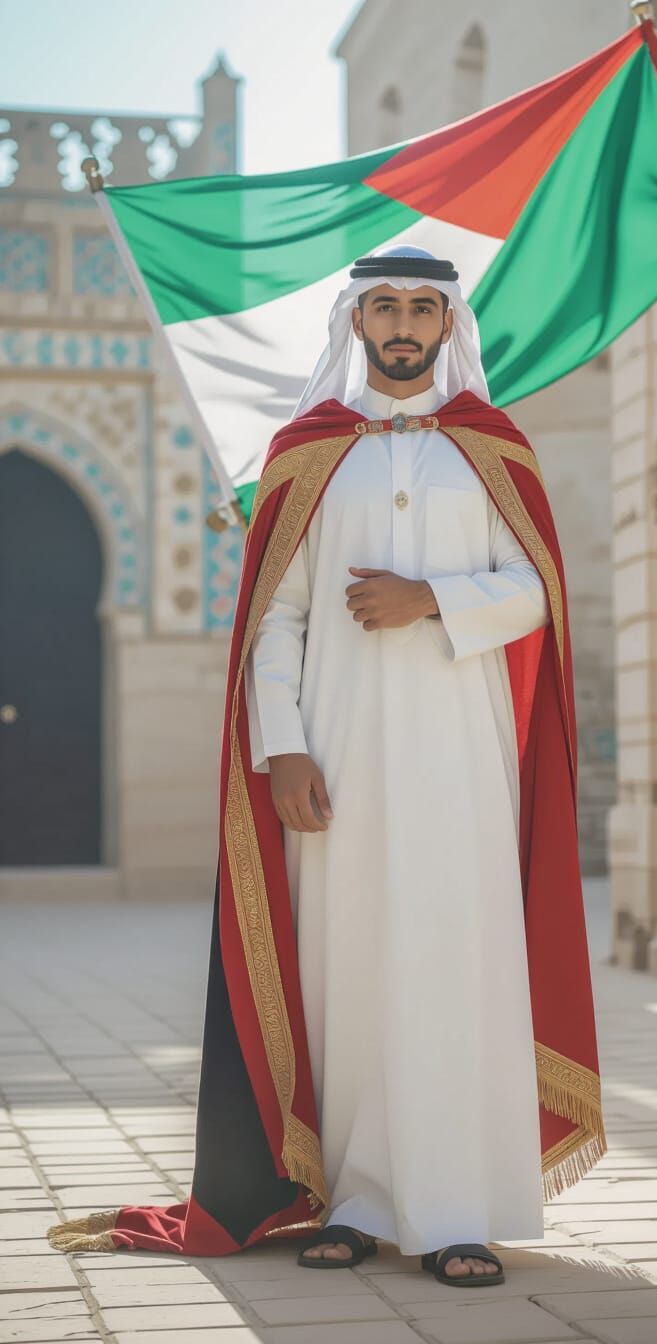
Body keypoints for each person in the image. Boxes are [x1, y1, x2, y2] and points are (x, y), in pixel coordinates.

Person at [47, 247, 604, 1278]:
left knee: (453, 965)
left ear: (448, 324)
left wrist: (431, 599)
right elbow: (279, 617)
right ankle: (345, 1199)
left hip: (461, 763)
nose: (403, 325)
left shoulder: (491, 451)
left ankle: (452, 1213)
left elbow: (535, 590)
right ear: (356, 321)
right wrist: (286, 748)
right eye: (384, 306)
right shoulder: (308, 455)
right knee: (342, 973)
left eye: (422, 309)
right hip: (336, 761)